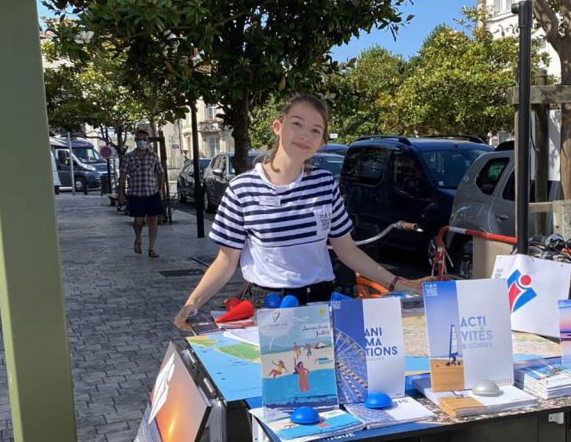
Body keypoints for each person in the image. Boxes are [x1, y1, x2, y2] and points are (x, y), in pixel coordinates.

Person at [174, 94, 423, 330]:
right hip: (269, 305)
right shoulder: (243, 188)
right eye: (297, 124)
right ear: (277, 127)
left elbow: (346, 249)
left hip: (321, 302)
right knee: (278, 374)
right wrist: (192, 303)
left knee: (323, 373)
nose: (305, 134)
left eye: (315, 130)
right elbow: (226, 260)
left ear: (321, 142)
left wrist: (398, 283)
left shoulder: (325, 184)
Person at [119, 129, 165, 258]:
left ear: (148, 140)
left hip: (152, 193)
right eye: (139, 139)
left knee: (153, 220)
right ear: (135, 141)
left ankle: (151, 248)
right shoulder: (129, 157)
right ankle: (138, 239)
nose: (142, 141)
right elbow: (122, 175)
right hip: (136, 194)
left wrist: (160, 189)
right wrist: (121, 193)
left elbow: (160, 172)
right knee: (139, 221)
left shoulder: (154, 156)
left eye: (144, 139)